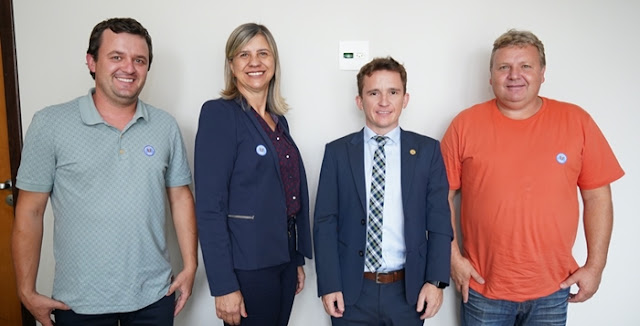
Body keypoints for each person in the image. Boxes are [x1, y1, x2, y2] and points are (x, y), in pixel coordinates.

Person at [11, 17, 197, 326]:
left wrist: (190, 266)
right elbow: (30, 211)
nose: (129, 68)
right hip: (79, 304)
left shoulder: (164, 126)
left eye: (140, 60)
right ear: (91, 62)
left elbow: (180, 198)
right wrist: (25, 290)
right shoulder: (50, 124)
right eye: (116, 57)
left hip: (155, 297)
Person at [441, 29, 625, 325]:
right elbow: (440, 197)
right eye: (504, 67)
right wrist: (453, 260)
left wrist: (595, 266)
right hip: (483, 288)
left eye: (525, 66)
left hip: (553, 289)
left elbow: (597, 196)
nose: (515, 75)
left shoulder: (576, 121)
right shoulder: (465, 124)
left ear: (542, 73)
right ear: (491, 76)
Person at [314, 57, 453, 325]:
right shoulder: (338, 152)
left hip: (408, 292)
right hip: (352, 293)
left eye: (393, 92)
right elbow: (324, 222)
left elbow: (439, 221)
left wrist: (436, 281)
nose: (384, 102)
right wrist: (329, 284)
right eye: (374, 93)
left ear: (405, 98)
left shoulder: (427, 151)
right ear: (359, 100)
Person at [194, 23, 312, 326]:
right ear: (232, 66)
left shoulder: (279, 121)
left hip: (283, 260)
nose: (255, 62)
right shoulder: (219, 114)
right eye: (244, 55)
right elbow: (209, 207)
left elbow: (286, 193)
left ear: (274, 62)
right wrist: (223, 285)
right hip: (247, 265)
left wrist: (296, 259)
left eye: (263, 53)